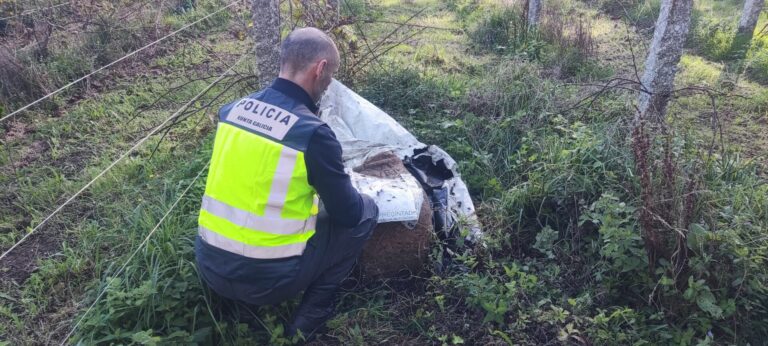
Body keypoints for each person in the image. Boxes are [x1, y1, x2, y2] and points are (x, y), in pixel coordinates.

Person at [194, 27, 379, 338]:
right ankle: (309, 319)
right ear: (320, 69)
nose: (329, 84)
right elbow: (348, 214)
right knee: (367, 213)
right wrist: (358, 193)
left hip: (210, 266)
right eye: (331, 75)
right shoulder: (312, 133)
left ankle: (238, 308)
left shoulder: (232, 111)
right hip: (268, 282)